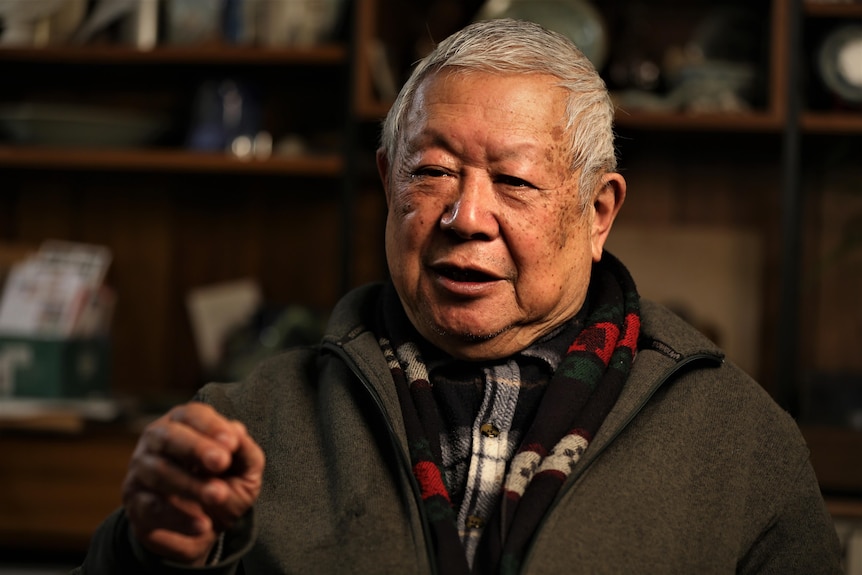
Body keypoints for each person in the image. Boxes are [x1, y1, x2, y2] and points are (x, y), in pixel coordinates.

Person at [74, 18, 842, 574]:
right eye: (431, 171)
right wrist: (149, 554)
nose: (465, 217)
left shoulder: (739, 443)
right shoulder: (252, 424)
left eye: (513, 182)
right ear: (386, 182)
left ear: (599, 211)